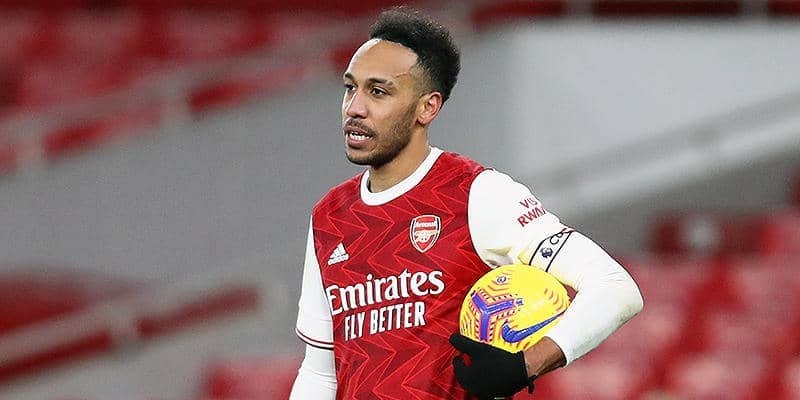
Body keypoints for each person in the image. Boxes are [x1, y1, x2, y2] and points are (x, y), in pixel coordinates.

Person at [290, 6, 643, 400]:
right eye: (349, 87)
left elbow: (615, 287)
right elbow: (320, 371)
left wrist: (526, 364)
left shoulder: (479, 194)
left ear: (427, 107)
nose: (354, 107)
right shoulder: (329, 217)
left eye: (378, 91)